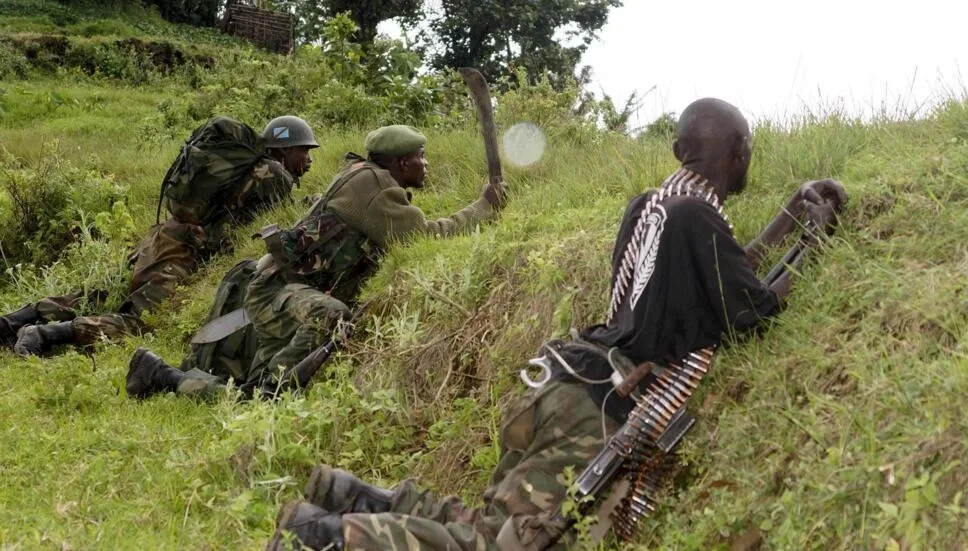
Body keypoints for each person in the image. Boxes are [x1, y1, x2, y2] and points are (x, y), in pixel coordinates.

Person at [264, 98, 848, 550]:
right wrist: (816, 238)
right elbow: (753, 312)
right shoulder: (698, 217)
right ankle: (328, 537)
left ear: (677, 150)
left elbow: (719, 269)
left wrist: (789, 213)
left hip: (562, 383)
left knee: (494, 523)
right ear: (741, 152)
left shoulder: (652, 207)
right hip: (599, 410)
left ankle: (354, 498)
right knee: (510, 544)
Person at [125, 124, 507, 400]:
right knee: (330, 316)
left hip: (285, 287)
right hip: (277, 291)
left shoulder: (364, 175)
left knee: (326, 317)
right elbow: (424, 237)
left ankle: (242, 384)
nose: (427, 164)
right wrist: (483, 207)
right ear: (402, 163)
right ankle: (264, 393)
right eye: (421, 157)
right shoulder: (375, 188)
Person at [2, 115, 318, 356]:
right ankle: (44, 336)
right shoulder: (276, 175)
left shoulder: (249, 168)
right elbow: (266, 225)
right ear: (285, 149)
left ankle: (13, 322)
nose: (309, 159)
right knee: (143, 322)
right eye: (304, 150)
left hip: (161, 236)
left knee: (98, 295)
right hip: (181, 250)